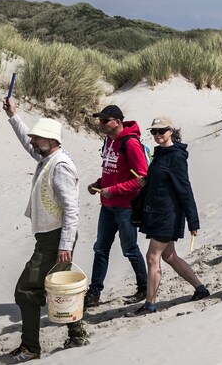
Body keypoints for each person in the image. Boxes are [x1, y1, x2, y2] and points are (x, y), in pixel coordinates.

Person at [0, 98, 88, 362]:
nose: (33, 141)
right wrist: (13, 116)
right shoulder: (49, 157)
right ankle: (77, 335)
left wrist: (64, 244)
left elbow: (72, 209)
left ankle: (30, 348)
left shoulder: (59, 166)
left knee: (26, 291)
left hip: (55, 239)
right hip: (52, 238)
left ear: (51, 140)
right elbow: (28, 144)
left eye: (37, 138)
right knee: (59, 286)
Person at [128, 117, 210, 316]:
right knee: (169, 256)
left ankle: (150, 304)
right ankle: (201, 289)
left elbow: (184, 189)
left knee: (152, 257)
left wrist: (193, 221)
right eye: (154, 131)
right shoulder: (159, 153)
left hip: (168, 215)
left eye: (161, 131)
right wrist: (147, 181)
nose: (157, 135)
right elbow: (163, 180)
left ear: (171, 131)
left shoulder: (176, 157)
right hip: (156, 213)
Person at [84, 104, 149, 308]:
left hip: (125, 206)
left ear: (117, 122)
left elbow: (142, 178)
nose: (101, 124)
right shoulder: (109, 142)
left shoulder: (131, 143)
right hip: (107, 206)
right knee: (100, 248)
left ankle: (145, 286)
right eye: (100, 120)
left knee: (129, 248)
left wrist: (114, 190)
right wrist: (98, 184)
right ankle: (94, 293)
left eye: (105, 120)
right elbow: (111, 171)